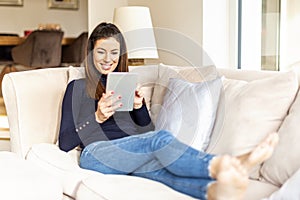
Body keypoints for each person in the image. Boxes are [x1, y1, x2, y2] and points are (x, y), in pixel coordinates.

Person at [58, 22, 279, 200]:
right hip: (97, 154)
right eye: (101, 52)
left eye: (114, 52)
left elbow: (148, 132)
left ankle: (216, 191)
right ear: (90, 53)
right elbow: (65, 142)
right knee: (161, 139)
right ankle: (224, 163)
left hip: (134, 155)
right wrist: (97, 117)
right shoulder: (76, 88)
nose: (108, 59)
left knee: (165, 172)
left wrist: (139, 107)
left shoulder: (124, 84)